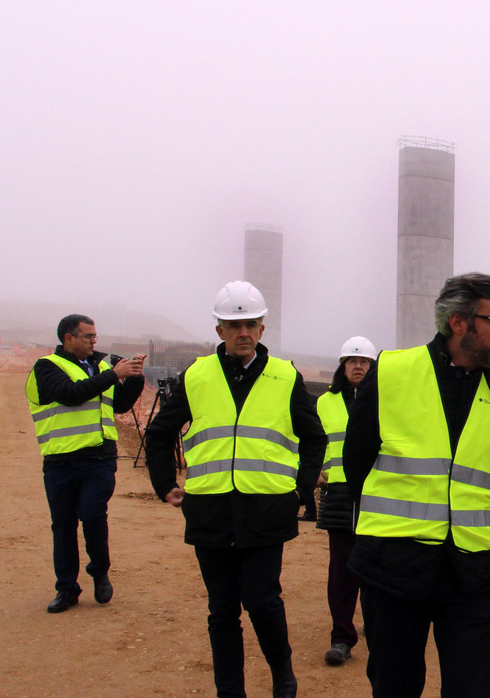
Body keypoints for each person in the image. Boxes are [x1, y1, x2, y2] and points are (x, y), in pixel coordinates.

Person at [343, 272, 490, 698]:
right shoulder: (391, 372)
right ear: (459, 321)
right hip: (393, 570)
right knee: (394, 686)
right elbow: (357, 466)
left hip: (474, 575)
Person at [145, 281, 326, 698]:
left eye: (250, 324)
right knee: (222, 609)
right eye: (233, 324)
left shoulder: (285, 376)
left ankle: (282, 673)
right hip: (209, 511)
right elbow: (159, 433)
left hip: (266, 510)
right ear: (220, 330)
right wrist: (164, 485)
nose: (242, 332)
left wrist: (301, 490)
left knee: (262, 600)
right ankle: (230, 690)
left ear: (262, 329)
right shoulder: (197, 375)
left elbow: (314, 437)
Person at [26, 314, 146, 613]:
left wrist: (133, 377)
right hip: (60, 459)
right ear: (69, 338)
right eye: (88, 336)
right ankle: (66, 589)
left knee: (93, 514)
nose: (95, 341)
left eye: (95, 336)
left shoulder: (102, 367)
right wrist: (112, 375)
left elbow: (118, 405)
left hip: (99, 457)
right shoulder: (47, 367)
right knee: (63, 525)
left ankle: (100, 572)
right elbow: (70, 395)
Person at [315, 335, 378, 666]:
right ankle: (341, 637)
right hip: (339, 494)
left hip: (376, 495)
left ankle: (375, 623)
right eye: (352, 361)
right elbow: (307, 440)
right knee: (341, 569)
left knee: (375, 565)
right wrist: (311, 470)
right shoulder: (324, 403)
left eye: (364, 362)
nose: (358, 366)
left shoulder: (386, 401)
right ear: (342, 366)